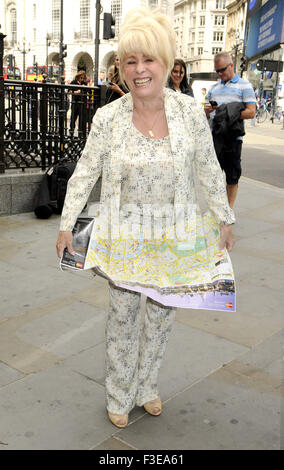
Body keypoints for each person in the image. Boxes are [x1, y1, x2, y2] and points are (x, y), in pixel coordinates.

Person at [56, 8, 235, 429]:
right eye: (130, 61)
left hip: (173, 236)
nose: (139, 70)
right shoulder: (108, 118)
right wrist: (67, 223)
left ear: (167, 64)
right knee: (122, 317)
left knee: (160, 316)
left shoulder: (189, 113)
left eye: (148, 60)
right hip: (124, 235)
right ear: (121, 67)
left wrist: (224, 218)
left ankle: (146, 386)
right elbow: (86, 171)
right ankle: (118, 393)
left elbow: (209, 168)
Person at [204, 52, 256, 208]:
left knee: (232, 177)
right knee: (213, 177)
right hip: (215, 138)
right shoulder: (213, 88)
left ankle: (228, 209)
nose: (220, 74)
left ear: (231, 65)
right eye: (217, 71)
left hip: (233, 139)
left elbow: (251, 112)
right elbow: (206, 113)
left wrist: (228, 112)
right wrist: (207, 110)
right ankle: (216, 208)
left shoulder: (245, 86)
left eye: (222, 70)